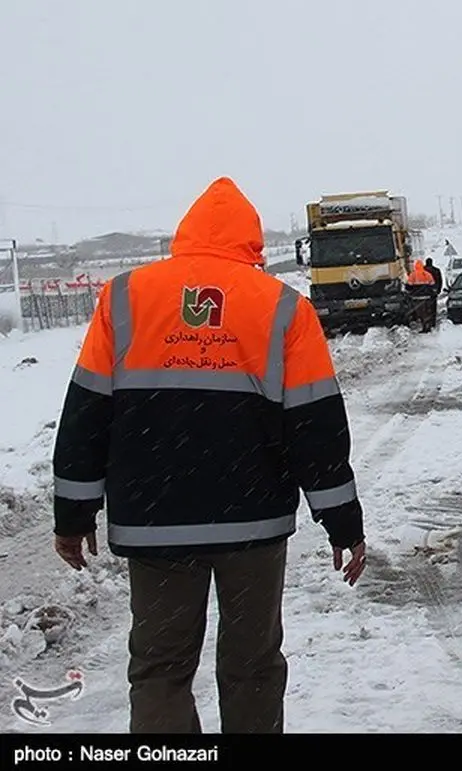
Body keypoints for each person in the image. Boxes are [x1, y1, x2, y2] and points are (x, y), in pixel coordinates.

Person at [51, 177, 365, 734]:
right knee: (252, 667)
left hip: (154, 523)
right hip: (252, 522)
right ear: (252, 242)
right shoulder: (284, 308)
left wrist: (73, 514)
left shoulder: (124, 296)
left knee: (159, 669)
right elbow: (315, 428)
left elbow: (86, 412)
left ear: (185, 233)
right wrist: (343, 524)